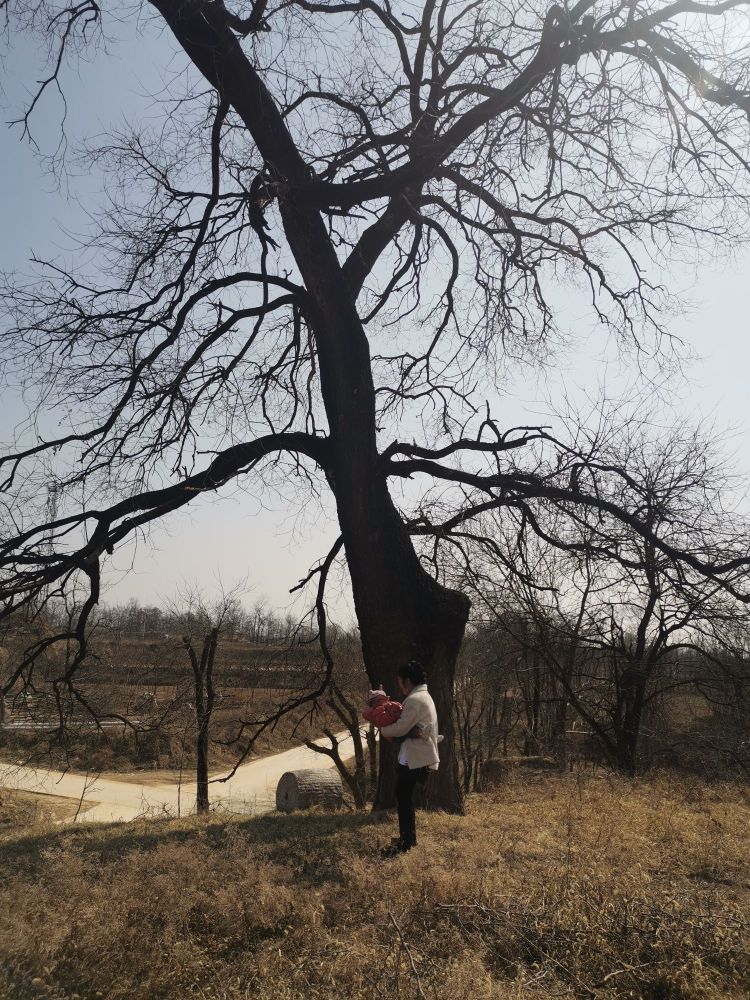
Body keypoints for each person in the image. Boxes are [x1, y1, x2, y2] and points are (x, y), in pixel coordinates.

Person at [379, 660, 441, 855]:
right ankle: (408, 839)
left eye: (400, 682)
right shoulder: (424, 696)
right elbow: (407, 729)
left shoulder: (415, 700)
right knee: (404, 797)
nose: (399, 686)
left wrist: (382, 729)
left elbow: (400, 728)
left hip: (416, 758)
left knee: (403, 798)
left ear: (407, 680)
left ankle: (406, 843)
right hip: (416, 755)